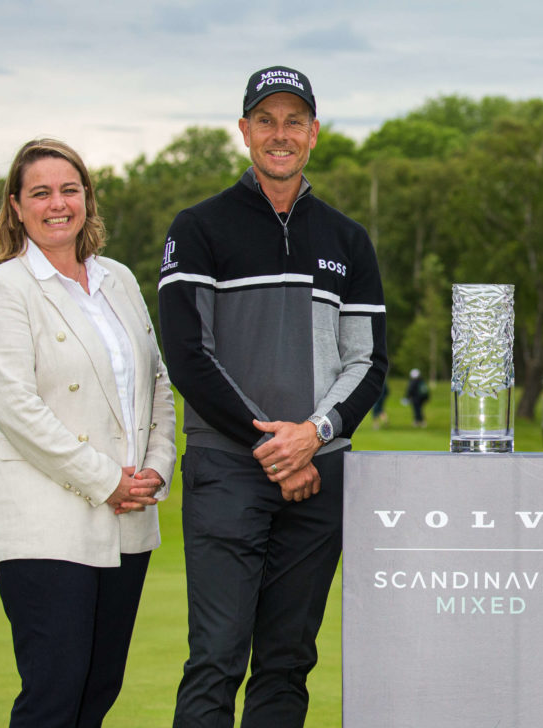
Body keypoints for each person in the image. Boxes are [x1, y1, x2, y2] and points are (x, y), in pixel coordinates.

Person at [159, 65, 387, 728]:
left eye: (293, 121)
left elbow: (367, 362)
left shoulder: (347, 238)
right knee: (217, 658)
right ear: (244, 131)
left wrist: (311, 435)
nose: (279, 134)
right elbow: (187, 357)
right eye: (266, 120)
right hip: (229, 468)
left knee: (287, 663)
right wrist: (272, 446)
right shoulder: (198, 227)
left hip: (320, 470)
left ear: (314, 133)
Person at [0, 138, 177, 727]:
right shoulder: (3, 290)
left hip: (128, 517)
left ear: (86, 197)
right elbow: (16, 409)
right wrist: (107, 480)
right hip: (43, 521)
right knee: (55, 694)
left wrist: (157, 468)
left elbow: (158, 384)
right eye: (40, 193)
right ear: (16, 206)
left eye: (69, 189)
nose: (57, 204)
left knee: (97, 692)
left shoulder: (118, 281)